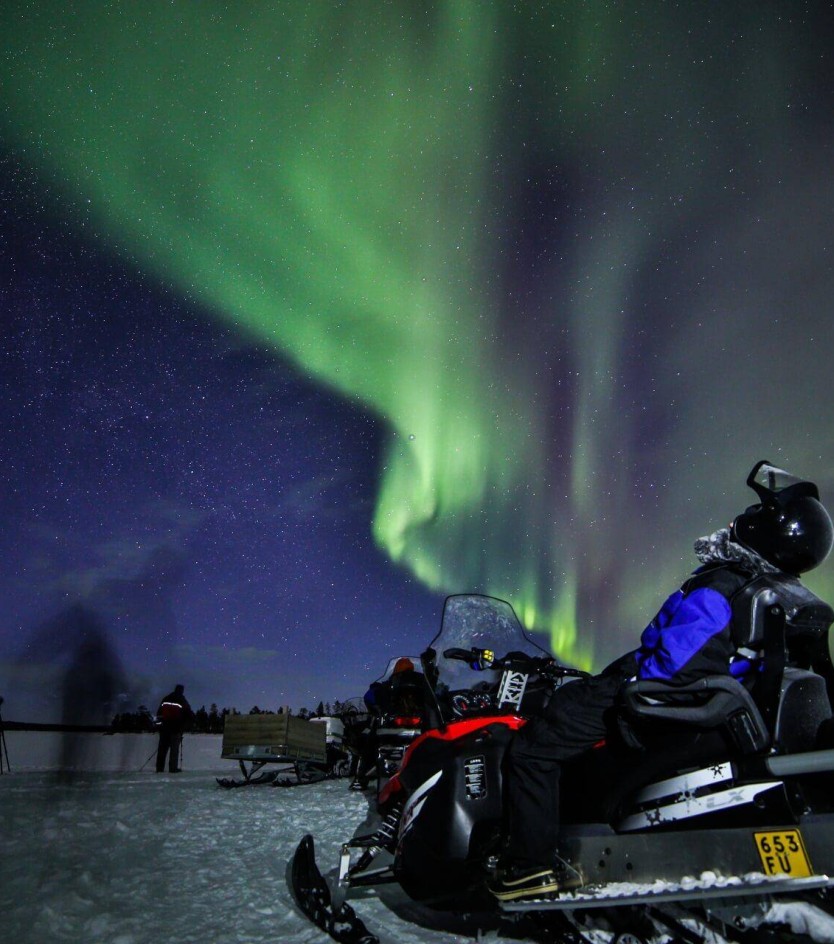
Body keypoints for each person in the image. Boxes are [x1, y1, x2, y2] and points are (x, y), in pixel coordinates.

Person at [489, 460, 834, 902]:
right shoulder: (788, 597)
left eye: (751, 516)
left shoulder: (723, 585)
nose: (736, 521)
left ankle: (528, 867)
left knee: (533, 747)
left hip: (668, 701)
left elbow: (672, 669)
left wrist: (624, 684)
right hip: (728, 709)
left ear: (764, 529)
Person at [155, 683, 194, 773]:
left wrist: (159, 725)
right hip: (176, 729)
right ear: (182, 690)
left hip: (164, 729)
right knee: (174, 750)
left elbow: (159, 713)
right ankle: (173, 768)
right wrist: (186, 725)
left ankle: (159, 768)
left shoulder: (166, 698)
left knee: (162, 750)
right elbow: (189, 713)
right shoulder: (182, 699)